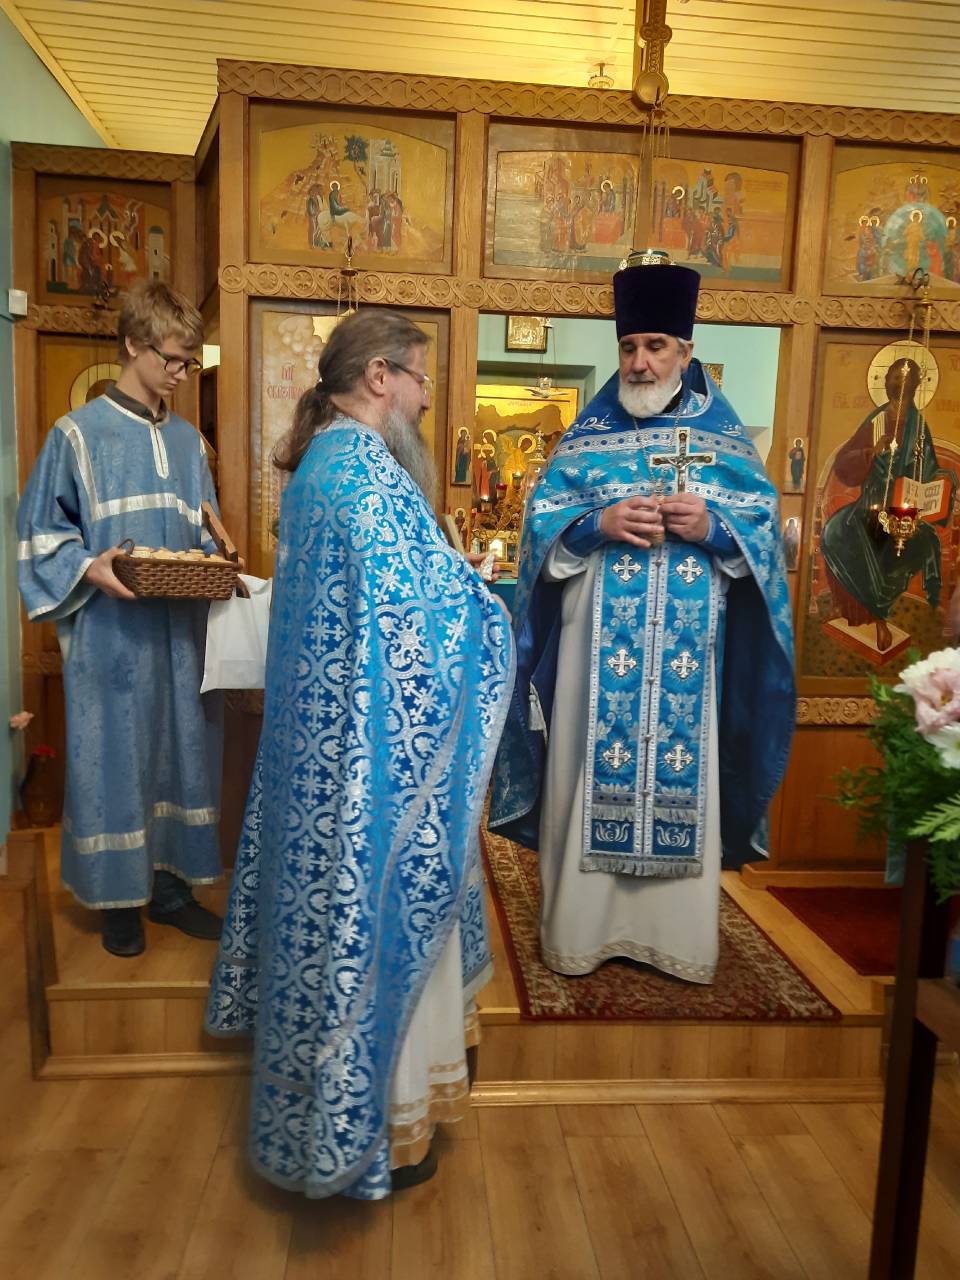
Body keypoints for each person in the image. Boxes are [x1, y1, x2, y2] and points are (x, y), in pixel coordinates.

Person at [205, 309, 514, 1199]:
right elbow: (421, 625)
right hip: (368, 772)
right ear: (380, 376)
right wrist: (489, 606)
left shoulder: (322, 466)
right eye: (419, 379)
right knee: (375, 923)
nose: (425, 399)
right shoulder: (368, 479)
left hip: (325, 751)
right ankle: (382, 1129)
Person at [489, 252, 794, 986]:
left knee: (683, 777)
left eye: (655, 346)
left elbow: (763, 542)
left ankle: (674, 942)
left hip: (690, 662)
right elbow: (539, 538)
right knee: (584, 776)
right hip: (594, 660)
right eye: (629, 346)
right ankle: (582, 934)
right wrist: (598, 522)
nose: (640, 362)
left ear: (686, 351)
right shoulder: (589, 435)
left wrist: (714, 527)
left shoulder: (725, 441)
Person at [17, 280, 225, 957]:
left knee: (179, 755)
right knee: (115, 761)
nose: (182, 374)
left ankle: (169, 890)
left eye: (190, 362)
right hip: (110, 637)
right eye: (172, 359)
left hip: (181, 636)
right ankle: (117, 901)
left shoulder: (190, 442)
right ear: (133, 345)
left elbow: (202, 527)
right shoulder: (76, 435)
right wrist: (88, 566)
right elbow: (40, 533)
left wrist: (217, 557)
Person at [820, 356, 955, 652]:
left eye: (906, 379)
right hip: (870, 505)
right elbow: (845, 461)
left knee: (899, 545)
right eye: (894, 377)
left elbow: (930, 469)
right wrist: (870, 452)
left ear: (916, 385)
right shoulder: (876, 420)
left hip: (904, 509)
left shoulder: (919, 426)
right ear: (884, 382)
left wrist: (940, 482)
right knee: (833, 534)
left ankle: (879, 615)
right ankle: (851, 611)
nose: (899, 382)